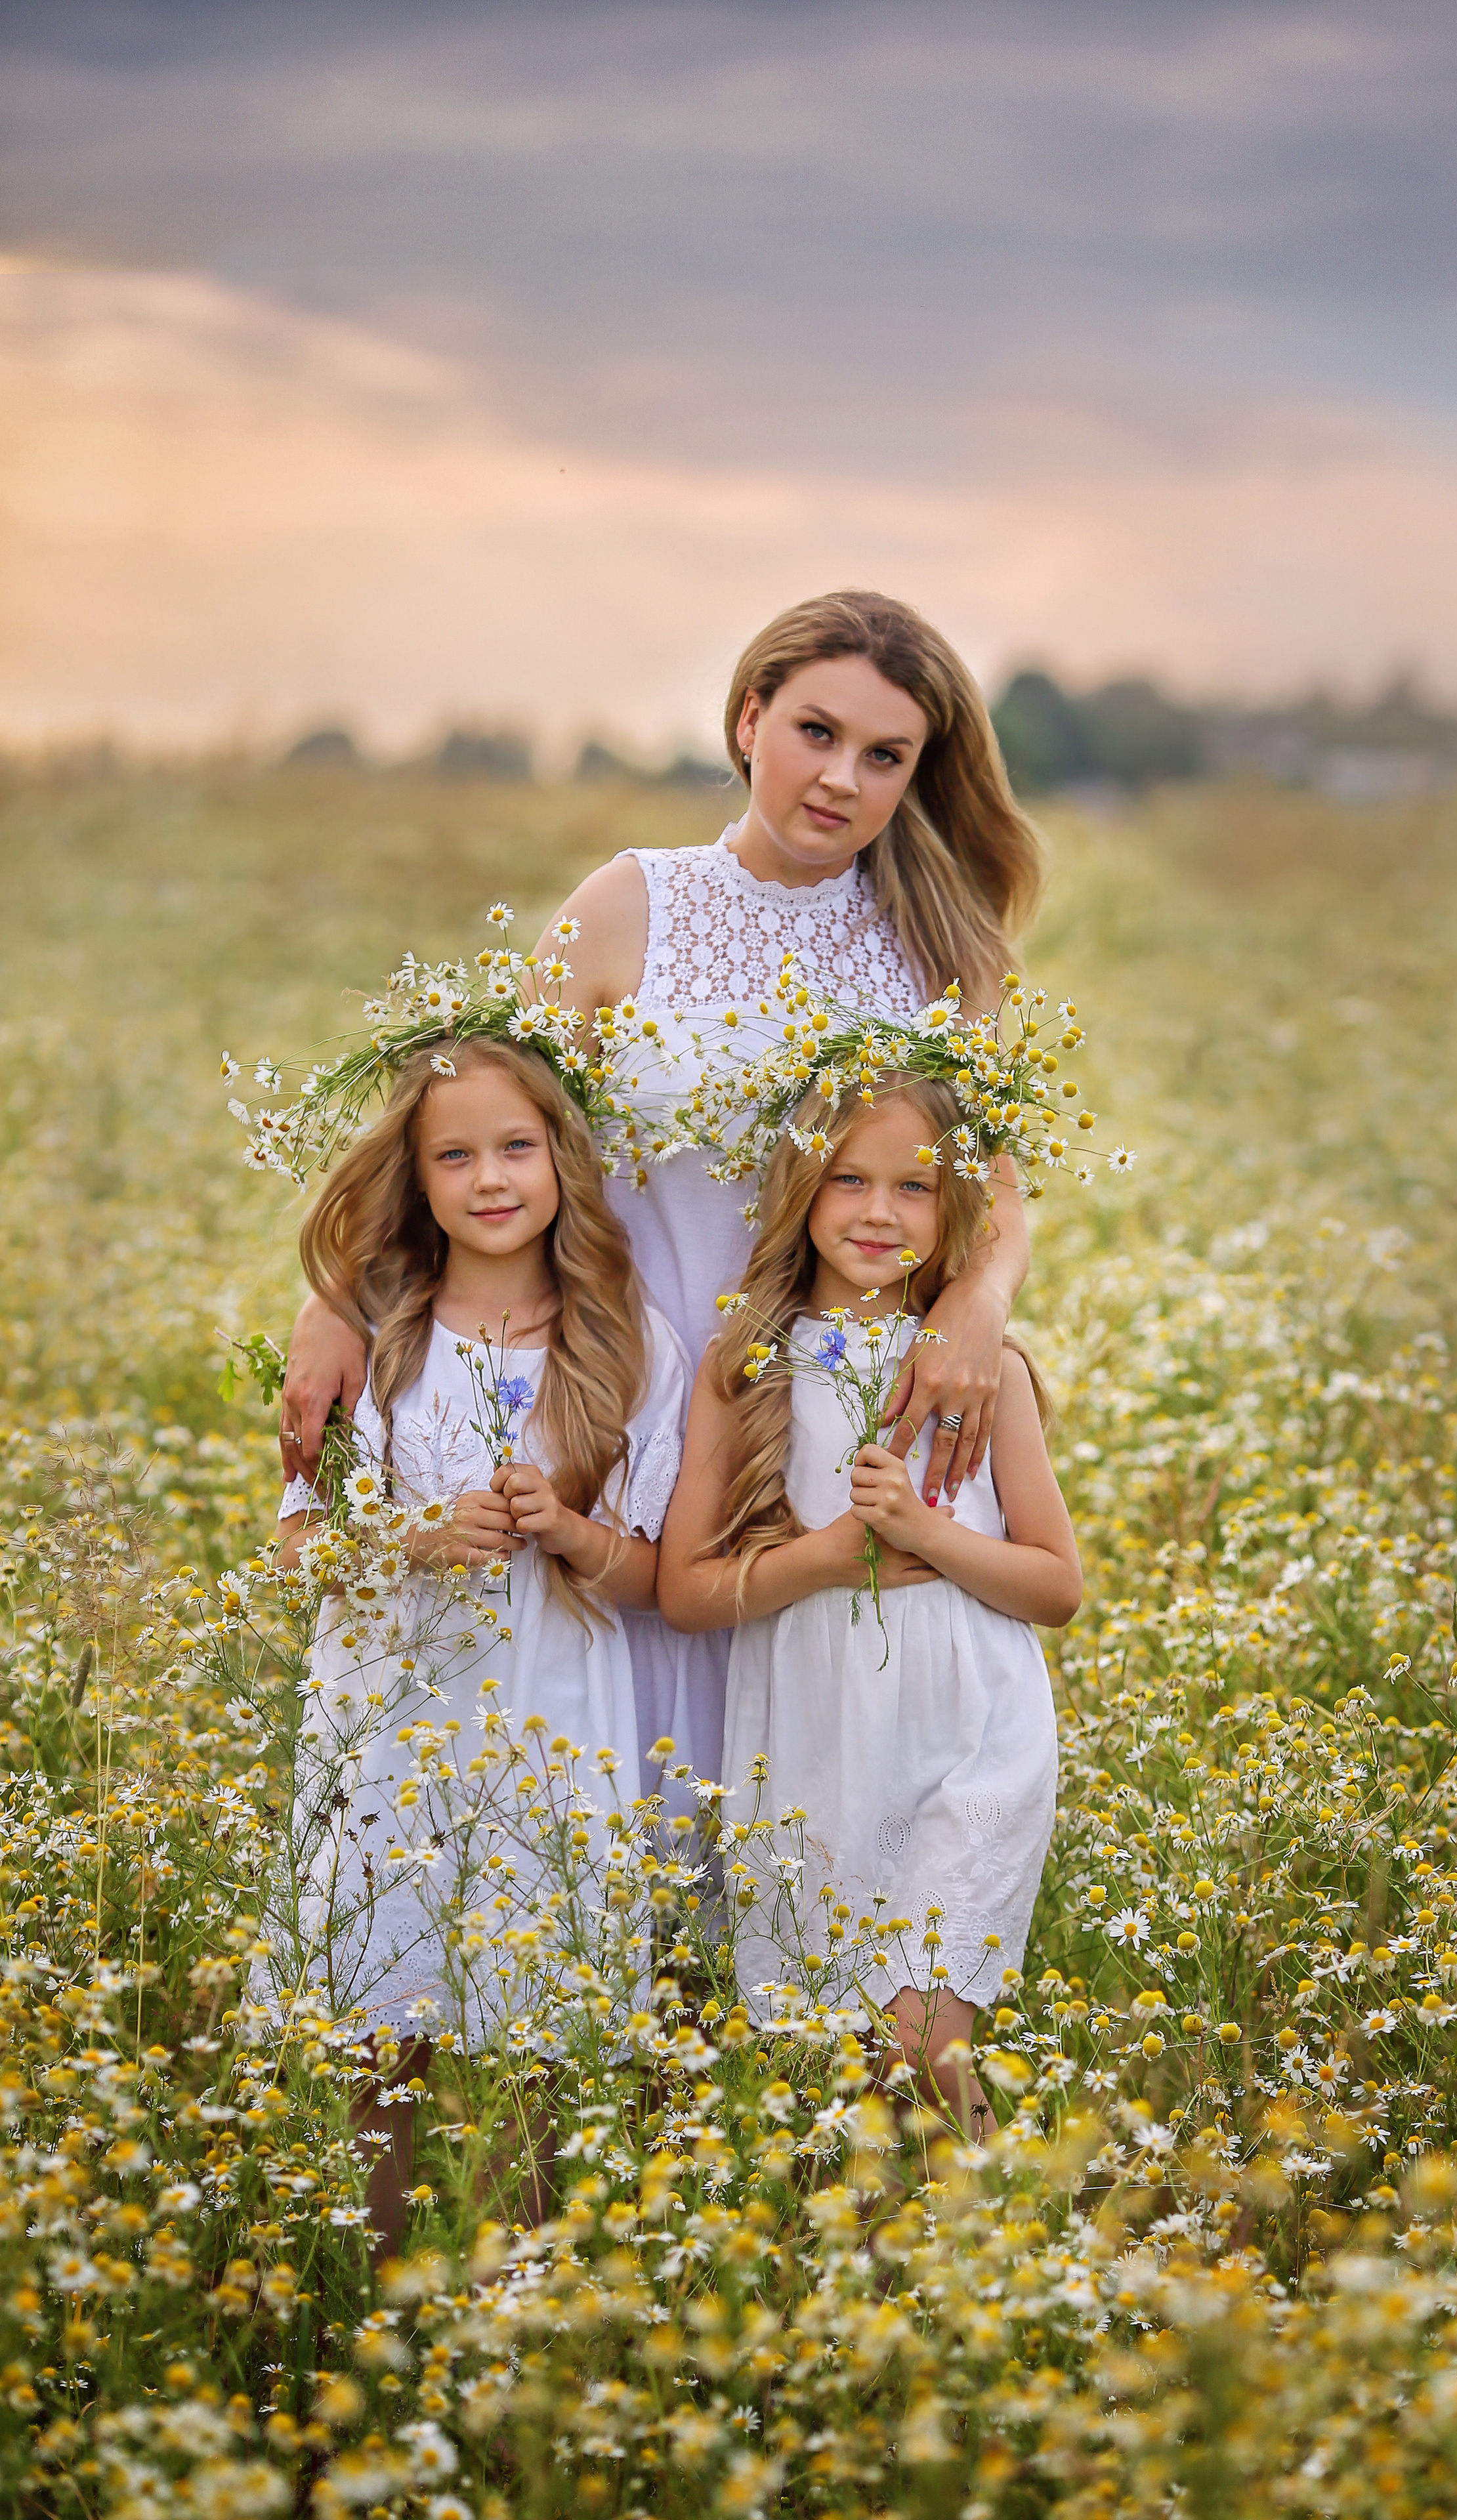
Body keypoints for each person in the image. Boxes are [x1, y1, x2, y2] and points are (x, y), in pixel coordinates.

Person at [279, 589, 1044, 1799]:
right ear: (749, 720)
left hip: (817, 1413)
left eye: (884, 755)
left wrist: (979, 1313)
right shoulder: (630, 905)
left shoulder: (941, 956)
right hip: (623, 1396)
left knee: (817, 1790)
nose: (841, 777)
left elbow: (990, 1198)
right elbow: (468, 1112)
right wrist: (337, 1300)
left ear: (915, 774)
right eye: (814, 732)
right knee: (614, 1780)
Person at [269, 1037, 688, 2260]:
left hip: (555, 1717)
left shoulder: (629, 1343)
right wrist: (410, 1535)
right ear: (413, 1176)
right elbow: (293, 1550)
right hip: (390, 1724)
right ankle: (383, 2296)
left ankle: (514, 2319)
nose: (489, 1178)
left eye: (518, 1147)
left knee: (533, 2047)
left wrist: (568, 1531)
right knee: (381, 2040)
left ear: (566, 1157)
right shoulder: (375, 1340)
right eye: (454, 1155)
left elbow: (660, 1577)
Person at [656, 1077, 1081, 2136]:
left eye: (916, 1188)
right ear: (799, 1188)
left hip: (972, 1733)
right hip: (815, 1749)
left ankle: (1006, 2261)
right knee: (848, 2075)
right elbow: (686, 1594)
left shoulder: (982, 1377)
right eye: (849, 1179)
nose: (880, 1212)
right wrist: (829, 1557)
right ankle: (899, 2285)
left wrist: (928, 1533)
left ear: (959, 1216)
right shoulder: (743, 1369)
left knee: (921, 2039)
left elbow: (1057, 1585)